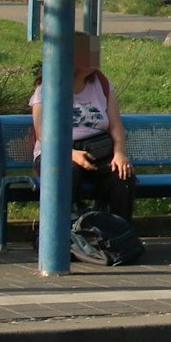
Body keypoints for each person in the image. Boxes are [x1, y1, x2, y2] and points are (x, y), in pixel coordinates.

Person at [29, 30, 136, 223]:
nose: (94, 57)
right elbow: (43, 134)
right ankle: (64, 233)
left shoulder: (101, 84)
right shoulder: (46, 89)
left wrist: (120, 153)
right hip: (57, 151)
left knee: (123, 179)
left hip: (97, 151)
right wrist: (70, 154)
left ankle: (120, 236)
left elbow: (115, 125)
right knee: (68, 171)